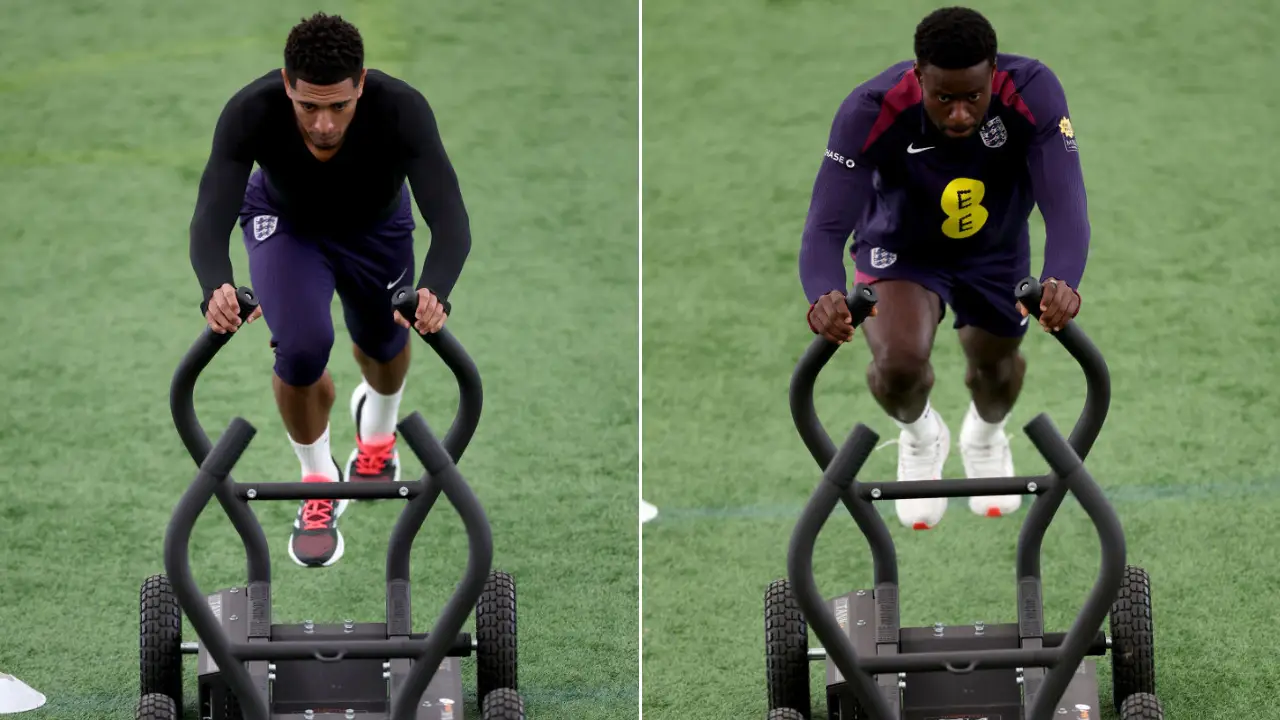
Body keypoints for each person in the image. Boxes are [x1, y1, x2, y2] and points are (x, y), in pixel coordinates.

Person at [188, 12, 472, 567]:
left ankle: (378, 432)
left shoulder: (401, 109)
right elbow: (209, 215)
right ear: (287, 85)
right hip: (285, 226)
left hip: (378, 230)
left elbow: (452, 221)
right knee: (300, 349)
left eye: (339, 106)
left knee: (383, 343)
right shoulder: (251, 110)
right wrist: (214, 285)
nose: (322, 124)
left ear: (361, 84)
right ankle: (319, 479)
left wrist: (435, 290)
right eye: (307, 107)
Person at [798, 6, 1089, 530]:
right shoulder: (870, 108)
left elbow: (1066, 200)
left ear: (994, 73)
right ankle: (920, 437)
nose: (958, 115)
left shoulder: (1034, 90)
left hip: (996, 250)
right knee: (899, 365)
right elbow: (824, 223)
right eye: (943, 98)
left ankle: (985, 435)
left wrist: (1063, 277)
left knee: (995, 369)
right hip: (900, 250)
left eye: (973, 97)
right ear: (918, 76)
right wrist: (822, 291)